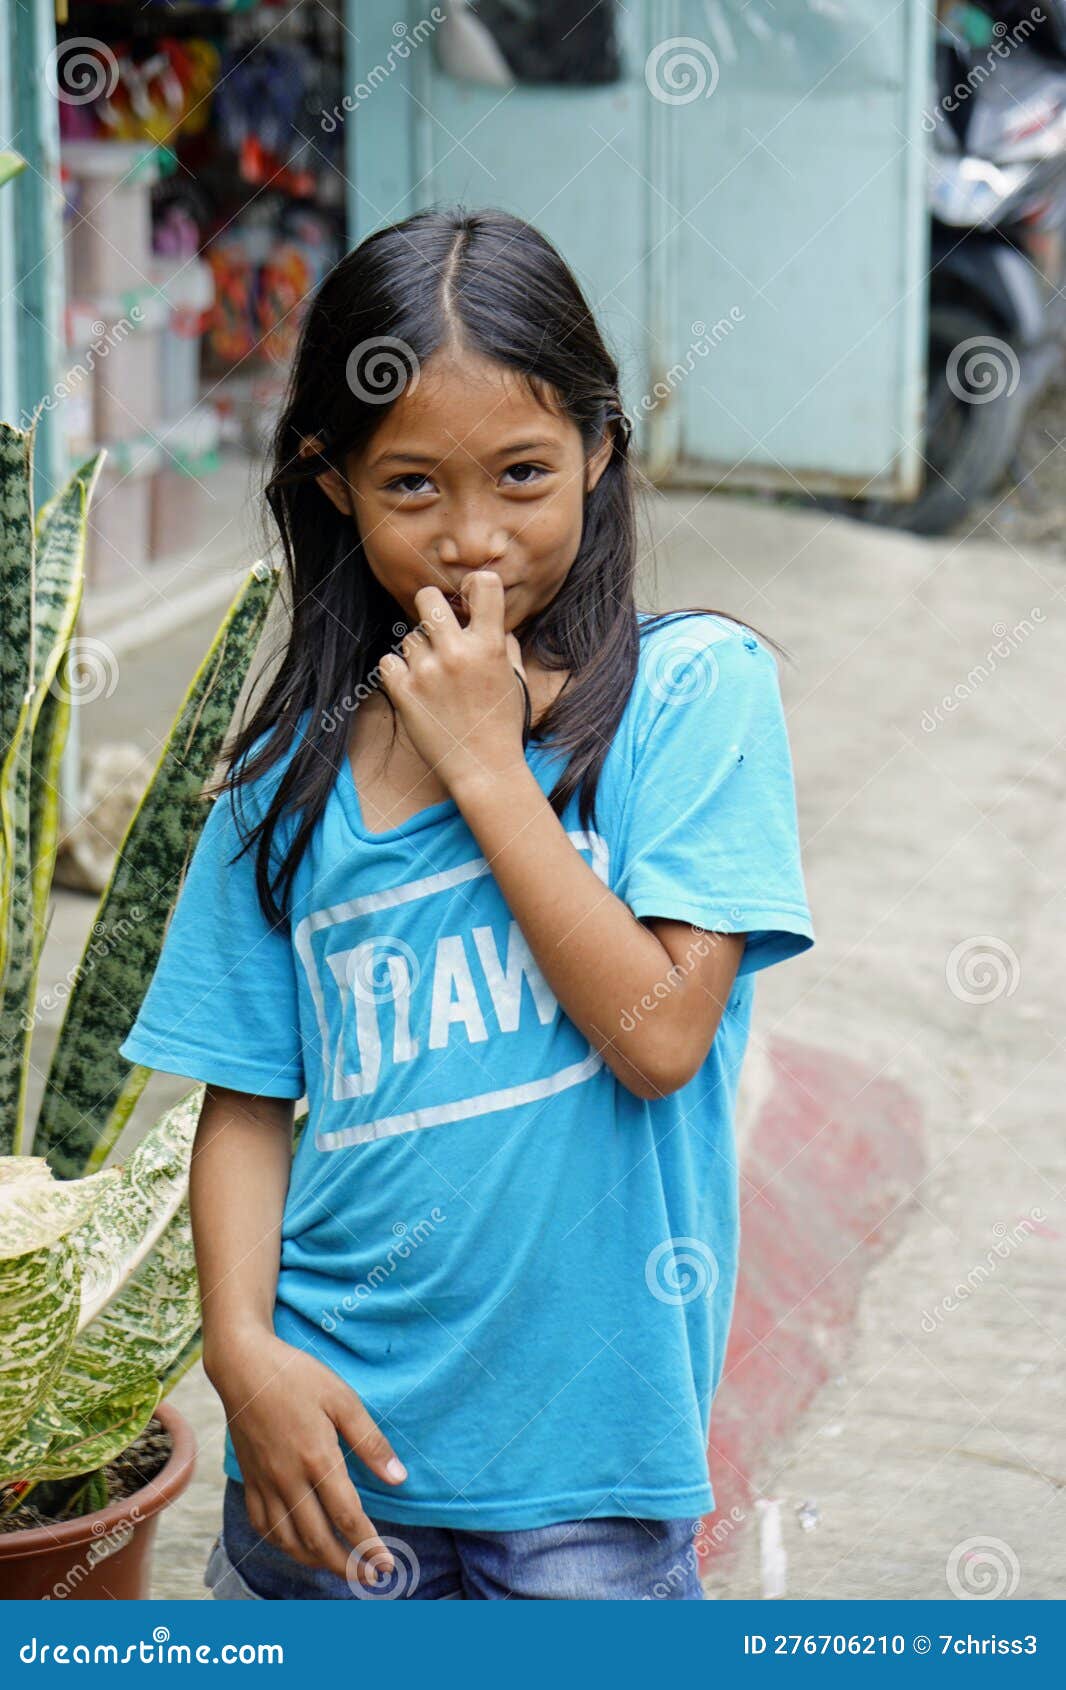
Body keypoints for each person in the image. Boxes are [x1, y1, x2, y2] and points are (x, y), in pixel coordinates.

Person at [119, 205, 815, 1601]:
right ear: (332, 484)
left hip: (585, 1470)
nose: (473, 539)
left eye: (521, 473)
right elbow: (247, 1101)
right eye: (412, 487)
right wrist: (242, 1354)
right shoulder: (285, 782)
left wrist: (487, 766)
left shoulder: (690, 698)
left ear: (600, 453)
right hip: (325, 1456)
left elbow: (661, 1033)